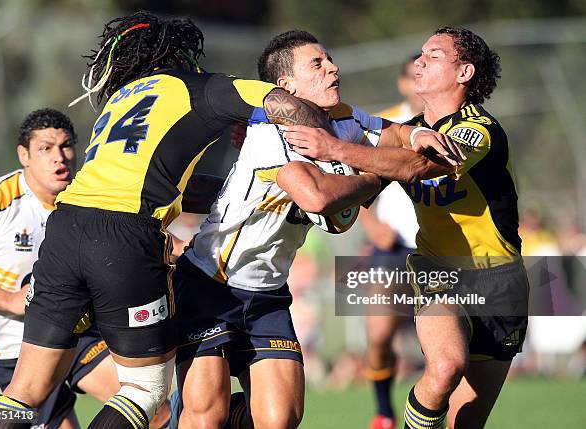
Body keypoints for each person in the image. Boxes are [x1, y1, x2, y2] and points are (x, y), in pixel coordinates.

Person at [0, 12, 333, 429]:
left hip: (64, 228)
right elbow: (285, 103)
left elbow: (165, 182)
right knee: (145, 390)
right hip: (124, 236)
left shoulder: (121, 100)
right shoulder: (199, 87)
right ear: (181, 54)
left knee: (24, 392)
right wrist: (334, 147)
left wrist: (243, 189)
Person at [174, 30, 461, 429]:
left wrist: (416, 133)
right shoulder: (269, 133)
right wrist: (379, 176)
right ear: (285, 87)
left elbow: (389, 132)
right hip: (211, 284)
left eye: (330, 59)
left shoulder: (340, 118)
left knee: (280, 421)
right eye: (317, 64)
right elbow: (317, 198)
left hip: (268, 292)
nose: (333, 68)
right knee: (207, 417)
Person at [284, 27, 528, 429]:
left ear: (464, 72)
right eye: (421, 54)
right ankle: (383, 411)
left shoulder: (479, 129)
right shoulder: (406, 131)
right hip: (438, 270)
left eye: (433, 55)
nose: (419, 60)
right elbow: (363, 181)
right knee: (446, 366)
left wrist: (335, 149)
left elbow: (419, 166)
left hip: (501, 282)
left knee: (465, 423)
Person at [0, 109, 171, 429]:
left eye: (66, 146)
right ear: (23, 155)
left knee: (154, 410)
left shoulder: (89, 195)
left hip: (81, 334)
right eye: (46, 148)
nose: (59, 158)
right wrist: (9, 299)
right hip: (18, 348)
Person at [360, 54, 424, 429]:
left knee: (444, 347)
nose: (421, 81)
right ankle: (383, 412)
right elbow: (356, 181)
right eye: (414, 75)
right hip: (392, 247)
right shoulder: (384, 125)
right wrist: (370, 224)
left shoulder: (457, 125)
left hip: (440, 249)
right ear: (402, 83)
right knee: (380, 334)